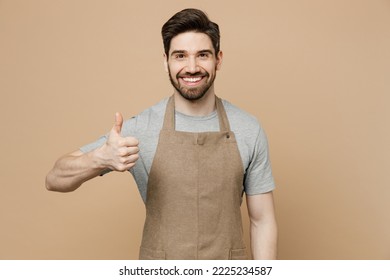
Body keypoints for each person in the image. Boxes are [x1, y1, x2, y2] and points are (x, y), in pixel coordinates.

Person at [46, 8, 277, 260]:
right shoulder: (140, 128)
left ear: (218, 60)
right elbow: (54, 179)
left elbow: (262, 220)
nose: (191, 67)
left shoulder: (247, 128)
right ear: (165, 60)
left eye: (202, 55)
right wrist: (99, 159)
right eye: (180, 56)